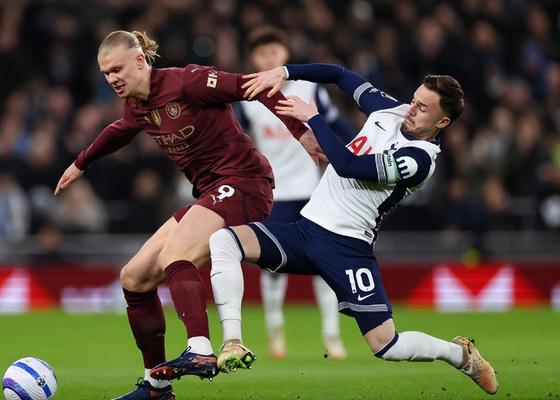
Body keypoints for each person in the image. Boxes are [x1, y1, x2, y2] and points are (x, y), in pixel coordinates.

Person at [54, 31, 324, 400]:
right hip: (211, 193)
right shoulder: (136, 106)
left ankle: (200, 348)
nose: (112, 78)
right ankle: (156, 388)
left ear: (139, 61)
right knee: (134, 277)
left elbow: (255, 86)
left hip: (244, 183)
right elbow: (120, 131)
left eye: (117, 69)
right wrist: (80, 163)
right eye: (105, 73)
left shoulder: (190, 81)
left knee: (175, 254)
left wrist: (301, 132)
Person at [209, 63, 498, 395]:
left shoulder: (418, 160)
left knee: (386, 345)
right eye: (414, 100)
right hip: (305, 232)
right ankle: (232, 342)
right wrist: (286, 72)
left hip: (348, 249)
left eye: (422, 108)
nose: (411, 109)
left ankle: (460, 355)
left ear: (442, 122)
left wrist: (313, 118)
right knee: (225, 241)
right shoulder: (390, 110)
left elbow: (347, 165)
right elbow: (340, 75)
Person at [235, 26, 347, 360]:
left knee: (324, 262)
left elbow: (337, 124)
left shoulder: (308, 88)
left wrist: (359, 149)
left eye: (274, 51)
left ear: (285, 54)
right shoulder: (248, 98)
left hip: (313, 190)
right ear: (253, 59)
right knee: (272, 266)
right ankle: (275, 331)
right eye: (262, 53)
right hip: (273, 193)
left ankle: (332, 335)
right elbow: (234, 140)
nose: (269, 58)